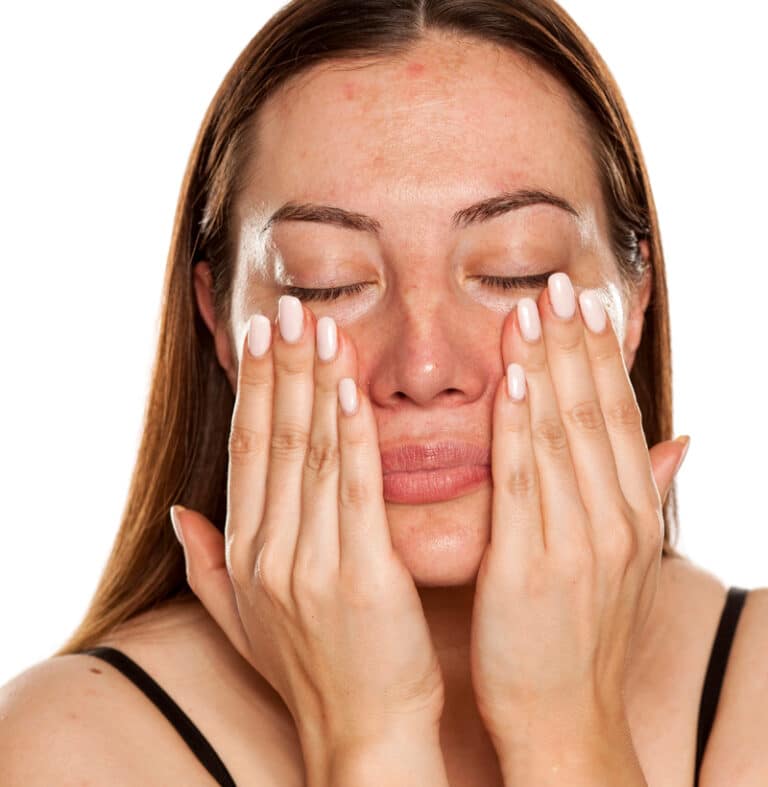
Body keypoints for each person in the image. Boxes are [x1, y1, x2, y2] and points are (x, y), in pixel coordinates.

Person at [1, 1, 764, 785]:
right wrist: (371, 733)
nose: (424, 367)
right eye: (324, 283)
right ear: (220, 322)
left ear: (635, 300)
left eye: (517, 269)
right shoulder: (68, 747)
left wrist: (565, 728)